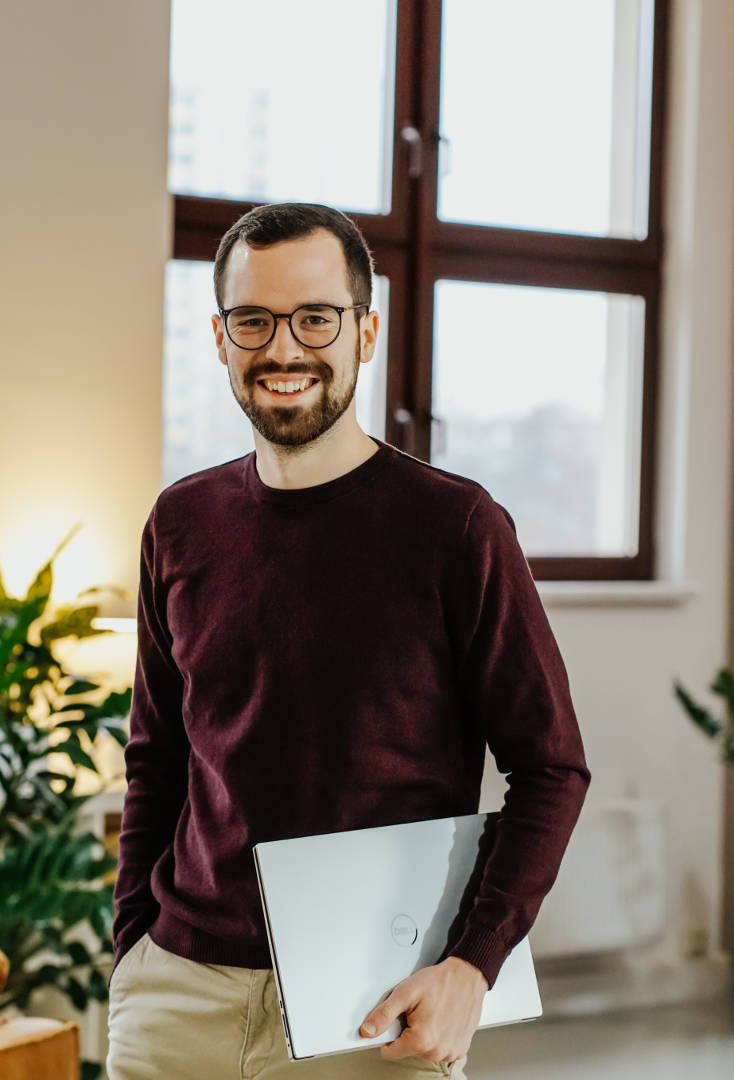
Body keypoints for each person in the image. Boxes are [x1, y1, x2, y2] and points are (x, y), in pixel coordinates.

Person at [106, 202, 591, 1080]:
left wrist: (471, 967)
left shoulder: (458, 527)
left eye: (315, 317)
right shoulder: (179, 524)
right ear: (221, 340)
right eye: (253, 320)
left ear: (365, 332)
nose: (283, 348)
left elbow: (551, 768)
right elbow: (158, 759)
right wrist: (132, 950)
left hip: (374, 1009)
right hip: (176, 997)